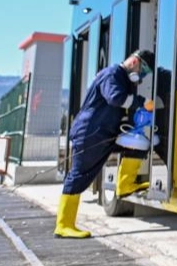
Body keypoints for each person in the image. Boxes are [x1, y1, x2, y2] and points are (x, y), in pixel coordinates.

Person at [54, 49, 155, 238]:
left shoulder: (125, 80)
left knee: (138, 145)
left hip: (106, 133)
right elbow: (115, 98)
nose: (142, 76)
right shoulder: (112, 74)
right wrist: (142, 102)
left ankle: (125, 185)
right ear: (135, 61)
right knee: (79, 174)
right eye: (143, 71)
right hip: (90, 132)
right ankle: (63, 225)